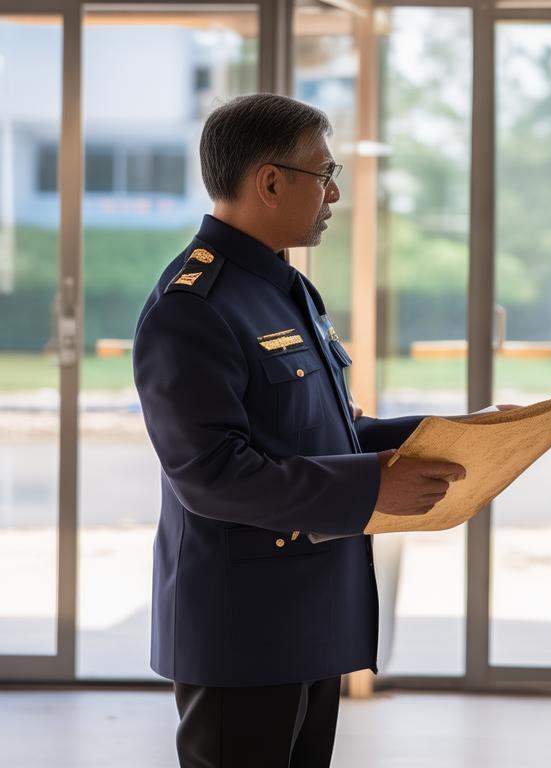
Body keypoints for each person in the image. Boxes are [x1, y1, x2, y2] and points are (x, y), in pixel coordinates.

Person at [133, 93, 463, 768]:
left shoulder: (286, 288)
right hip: (242, 625)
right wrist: (375, 487)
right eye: (325, 171)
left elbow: (325, 430)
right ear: (271, 181)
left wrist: (452, 432)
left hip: (308, 611)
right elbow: (211, 474)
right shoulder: (193, 306)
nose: (335, 191)